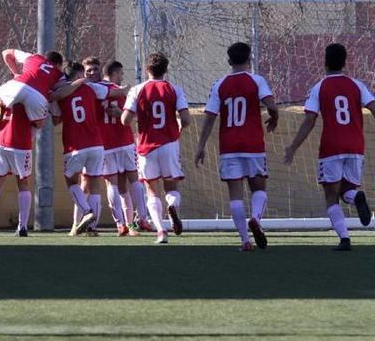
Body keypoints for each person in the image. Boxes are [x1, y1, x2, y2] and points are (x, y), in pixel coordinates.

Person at [284, 43, 374, 251]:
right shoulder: (357, 85)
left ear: (324, 63)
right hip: (355, 145)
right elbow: (373, 106)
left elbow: (309, 120)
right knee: (348, 190)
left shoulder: (319, 87)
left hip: (331, 147)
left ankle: (344, 239)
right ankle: (356, 197)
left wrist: (293, 147)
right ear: (345, 62)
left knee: (331, 195)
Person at [195, 42, 279, 251]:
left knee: (235, 195)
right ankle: (256, 219)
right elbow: (271, 105)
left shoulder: (219, 84)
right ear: (249, 59)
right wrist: (274, 117)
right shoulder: (256, 80)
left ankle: (245, 240)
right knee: (258, 188)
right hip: (253, 145)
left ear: (229, 61)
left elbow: (210, 118)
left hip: (229, 146)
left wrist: (201, 145)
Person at [50, 60, 127, 236]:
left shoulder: (59, 93)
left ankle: (87, 211)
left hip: (74, 144)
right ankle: (92, 228)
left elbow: (55, 120)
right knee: (94, 185)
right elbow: (114, 92)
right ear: (79, 75)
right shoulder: (93, 88)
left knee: (71, 181)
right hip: (97, 144)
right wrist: (125, 90)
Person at [121, 52, 190, 244]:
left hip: (146, 146)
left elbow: (125, 120)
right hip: (169, 143)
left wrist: (139, 118)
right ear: (166, 70)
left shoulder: (137, 90)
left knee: (151, 190)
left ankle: (160, 230)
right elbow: (186, 119)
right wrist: (178, 127)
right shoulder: (174, 89)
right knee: (171, 186)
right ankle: (172, 205)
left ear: (146, 69)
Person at [0, 49, 64, 151]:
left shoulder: (34, 57)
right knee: (39, 124)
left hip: (17, 85)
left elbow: (6, 53)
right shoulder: (60, 75)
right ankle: (22, 148)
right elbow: (66, 88)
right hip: (38, 96)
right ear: (58, 65)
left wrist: (16, 73)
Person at [0, 100, 45, 237]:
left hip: (1, 142)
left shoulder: (6, 92)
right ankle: (22, 227)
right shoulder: (31, 95)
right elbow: (39, 123)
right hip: (21, 144)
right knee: (23, 184)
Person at [100, 61, 152, 235]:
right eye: (121, 74)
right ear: (115, 73)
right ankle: (142, 219)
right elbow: (132, 116)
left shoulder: (95, 90)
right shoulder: (123, 91)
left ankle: (121, 224)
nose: (122, 77)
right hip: (125, 141)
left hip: (105, 144)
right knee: (133, 179)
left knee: (113, 184)